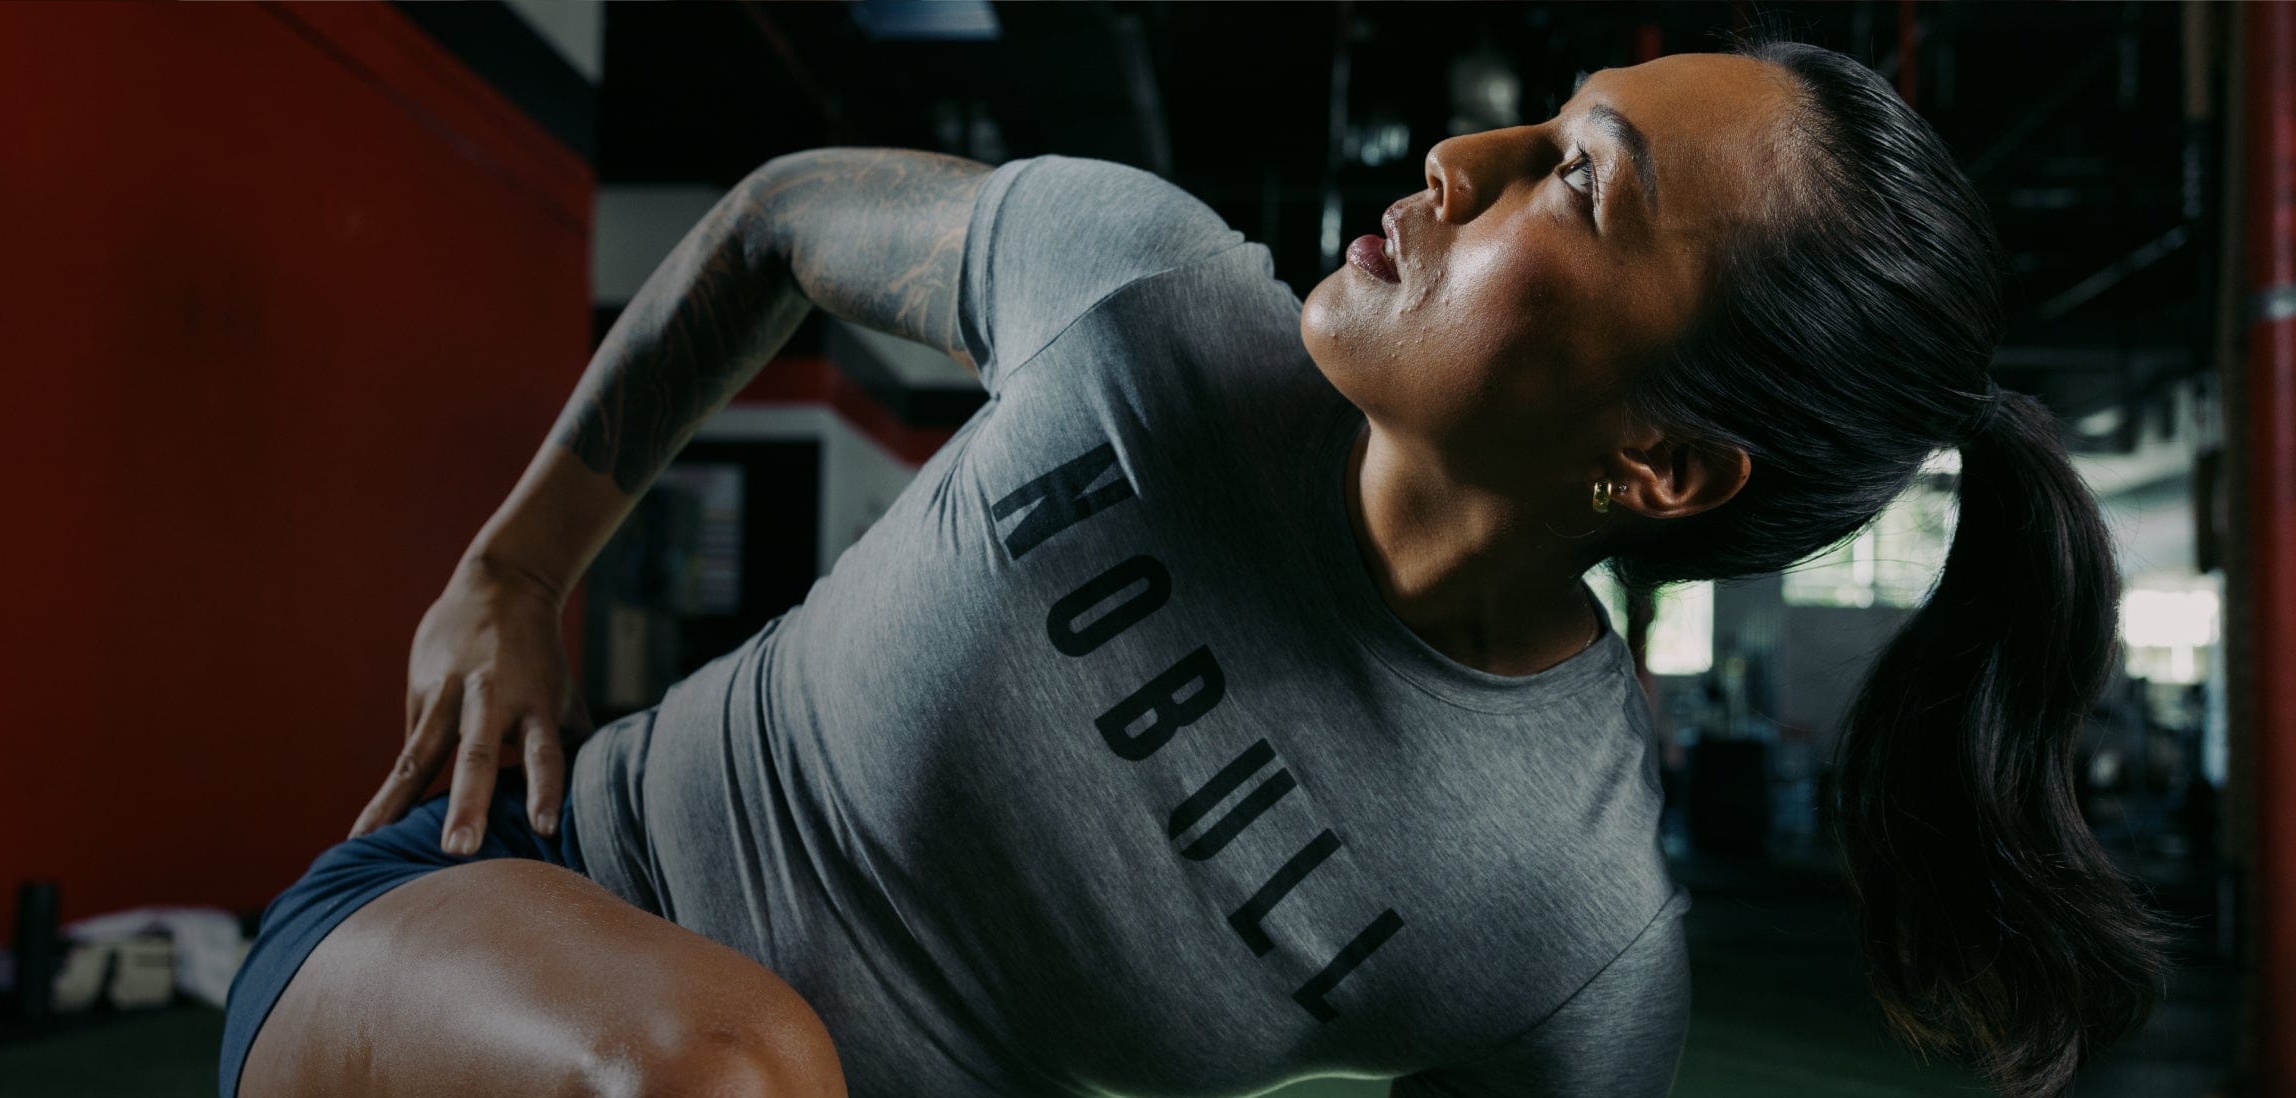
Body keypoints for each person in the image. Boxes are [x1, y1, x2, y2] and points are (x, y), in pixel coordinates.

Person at [219, 40, 2163, 1098]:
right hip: (473, 928)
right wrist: (513, 568)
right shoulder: (1144, 296)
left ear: (1659, 466)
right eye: (1545, 114)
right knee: (728, 1077)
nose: (1459, 154)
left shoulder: (1563, 923)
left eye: (1575, 180)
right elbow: (783, 218)